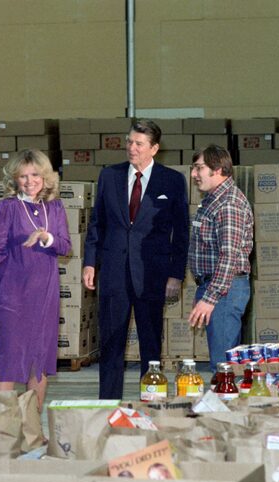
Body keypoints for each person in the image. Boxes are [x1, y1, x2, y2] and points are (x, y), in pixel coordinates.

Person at [83, 119, 189, 400]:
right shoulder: (110, 176)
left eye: (138, 143)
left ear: (153, 148)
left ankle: (151, 405)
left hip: (152, 276)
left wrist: (176, 274)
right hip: (113, 274)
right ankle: (108, 407)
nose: (131, 148)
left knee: (151, 346)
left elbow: (181, 232)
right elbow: (97, 223)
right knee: (111, 345)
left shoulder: (173, 181)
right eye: (129, 141)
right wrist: (90, 262)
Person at [0, 149, 71, 411]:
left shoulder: (54, 207)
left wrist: (46, 237)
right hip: (10, 295)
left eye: (35, 174)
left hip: (44, 295)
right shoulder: (6, 207)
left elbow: (65, 247)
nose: (30, 181)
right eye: (23, 176)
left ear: (45, 177)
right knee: (10, 361)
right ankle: (3, 431)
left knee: (40, 361)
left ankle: (33, 430)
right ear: (14, 180)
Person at [187, 145, 253, 369]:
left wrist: (210, 297)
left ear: (217, 169)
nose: (194, 175)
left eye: (199, 168)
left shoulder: (228, 204)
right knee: (222, 363)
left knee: (223, 367)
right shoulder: (213, 199)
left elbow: (229, 257)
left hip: (225, 291)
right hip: (217, 287)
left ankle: (224, 403)